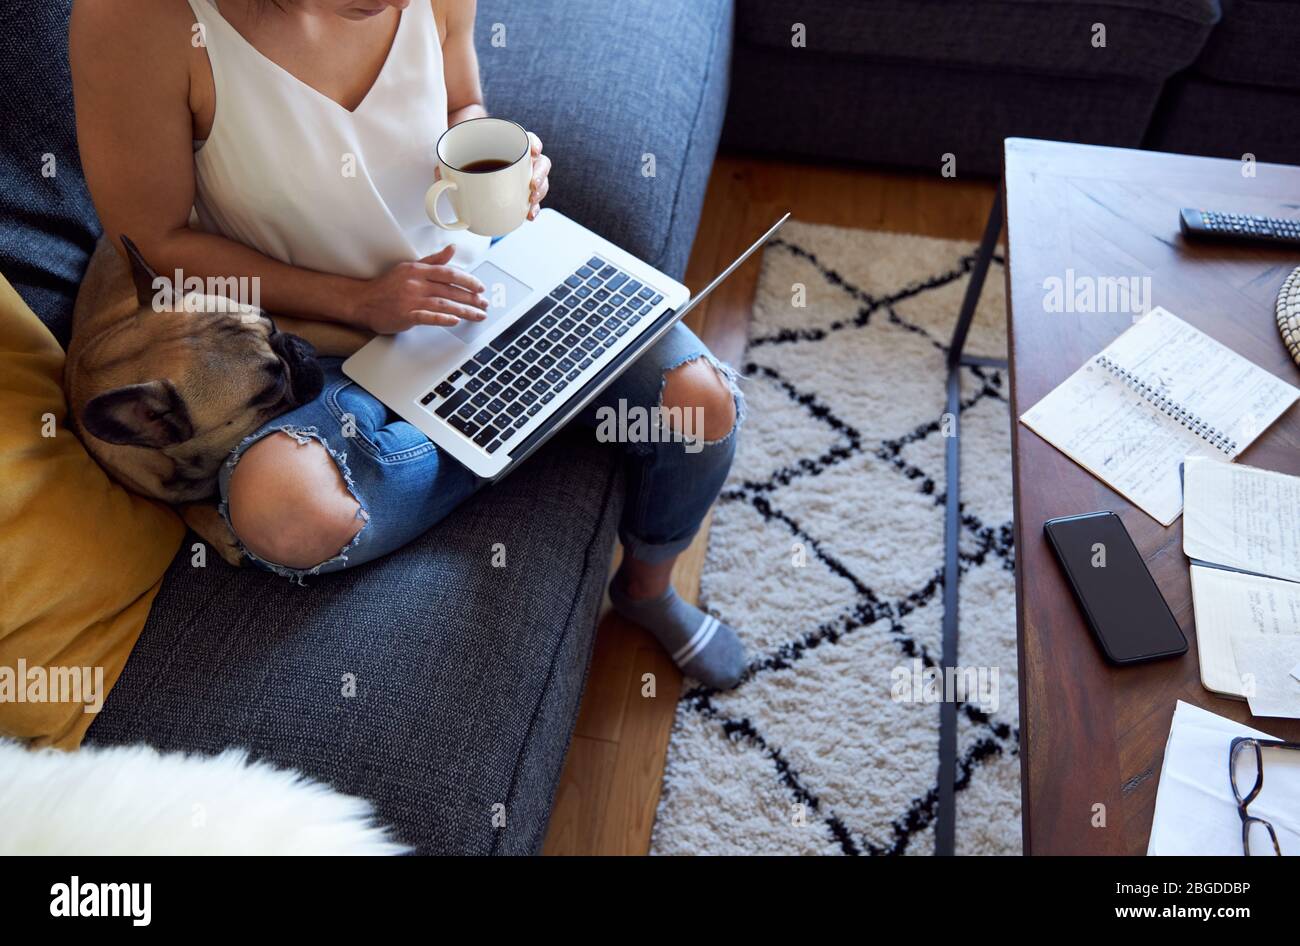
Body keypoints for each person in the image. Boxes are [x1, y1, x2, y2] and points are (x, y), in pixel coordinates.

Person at [70, 0, 748, 688]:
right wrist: (357, 302)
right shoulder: (136, 21)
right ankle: (537, 396)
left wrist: (497, 160)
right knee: (283, 508)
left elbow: (463, 101)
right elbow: (156, 247)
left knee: (700, 403)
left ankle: (646, 587)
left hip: (480, 275)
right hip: (311, 341)